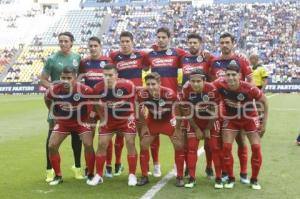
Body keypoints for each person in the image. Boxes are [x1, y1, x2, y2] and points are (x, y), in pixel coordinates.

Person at [109, 31, 158, 177]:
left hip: (139, 99)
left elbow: (148, 66)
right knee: (120, 133)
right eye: (122, 41)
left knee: (144, 132)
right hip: (121, 100)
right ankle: (117, 164)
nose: (124, 44)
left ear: (132, 42)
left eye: (127, 41)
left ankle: (147, 166)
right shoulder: (114, 57)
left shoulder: (141, 55)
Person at [213, 61, 268, 190]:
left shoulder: (249, 88)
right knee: (226, 148)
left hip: (249, 118)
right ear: (224, 76)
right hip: (231, 119)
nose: (231, 78)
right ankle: (231, 178)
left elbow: (265, 101)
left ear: (239, 75)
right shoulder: (219, 84)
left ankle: (254, 180)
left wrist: (264, 124)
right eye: (228, 75)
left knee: (256, 147)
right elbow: (206, 86)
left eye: (234, 75)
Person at [208, 32, 253, 183]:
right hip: (221, 108)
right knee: (222, 142)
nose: (224, 45)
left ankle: (244, 173)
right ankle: (226, 172)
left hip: (239, 108)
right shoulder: (214, 61)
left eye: (227, 42)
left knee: (241, 140)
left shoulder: (241, 60)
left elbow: (251, 81)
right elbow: (210, 82)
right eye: (222, 42)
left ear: (233, 43)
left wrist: (248, 102)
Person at [40, 32, 84, 182]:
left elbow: (79, 79)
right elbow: (43, 80)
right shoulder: (52, 59)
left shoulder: (77, 58)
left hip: (73, 103)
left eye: (66, 41)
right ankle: (49, 169)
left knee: (76, 135)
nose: (63, 43)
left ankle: (78, 167)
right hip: (57, 103)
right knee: (52, 136)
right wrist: (54, 89)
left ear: (72, 43)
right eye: (61, 41)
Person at [87, 64, 138, 186]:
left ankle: (132, 175)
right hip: (109, 119)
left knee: (130, 143)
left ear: (116, 75)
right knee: (101, 144)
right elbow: (95, 103)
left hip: (126, 118)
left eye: (110, 75)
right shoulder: (98, 88)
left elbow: (134, 102)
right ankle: (99, 175)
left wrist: (132, 115)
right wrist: (103, 118)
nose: (107, 78)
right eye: (105, 75)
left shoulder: (127, 85)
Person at [145, 27, 186, 176]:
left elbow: (190, 62)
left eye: (163, 37)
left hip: (172, 101)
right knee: (153, 135)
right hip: (154, 100)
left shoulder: (178, 53)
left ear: (169, 38)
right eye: (159, 37)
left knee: (175, 134)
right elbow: (142, 66)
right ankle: (156, 165)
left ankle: (177, 165)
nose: (161, 40)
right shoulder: (150, 55)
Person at [44, 66, 95, 185]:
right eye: (63, 77)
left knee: (88, 144)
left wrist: (91, 117)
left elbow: (95, 102)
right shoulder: (54, 89)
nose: (65, 80)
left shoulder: (85, 90)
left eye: (69, 78)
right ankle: (58, 176)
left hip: (81, 122)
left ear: (75, 78)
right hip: (63, 123)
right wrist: (53, 113)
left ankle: (91, 174)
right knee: (51, 146)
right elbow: (46, 98)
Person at [136, 72, 185, 187]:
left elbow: (179, 112)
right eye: (148, 84)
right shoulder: (142, 94)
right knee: (143, 144)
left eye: (153, 84)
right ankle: (144, 176)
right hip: (153, 121)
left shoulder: (169, 94)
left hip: (168, 121)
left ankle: (180, 176)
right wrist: (144, 126)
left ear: (159, 83)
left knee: (178, 145)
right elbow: (138, 110)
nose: (151, 86)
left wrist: (177, 129)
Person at [180, 68, 223, 189]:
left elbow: (215, 112)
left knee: (214, 147)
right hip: (194, 121)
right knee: (191, 148)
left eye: (198, 81)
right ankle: (192, 178)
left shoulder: (212, 89)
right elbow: (186, 112)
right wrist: (197, 129)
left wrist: (208, 129)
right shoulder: (186, 89)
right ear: (189, 81)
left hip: (210, 121)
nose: (195, 84)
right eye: (193, 81)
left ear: (204, 81)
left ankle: (218, 177)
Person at [79, 36, 114, 177]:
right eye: (90, 46)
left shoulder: (108, 61)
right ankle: (89, 168)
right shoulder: (84, 62)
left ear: (100, 46)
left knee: (106, 136)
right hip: (89, 105)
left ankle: (109, 166)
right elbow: (80, 81)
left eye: (95, 45)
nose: (93, 48)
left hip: (105, 104)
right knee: (89, 138)